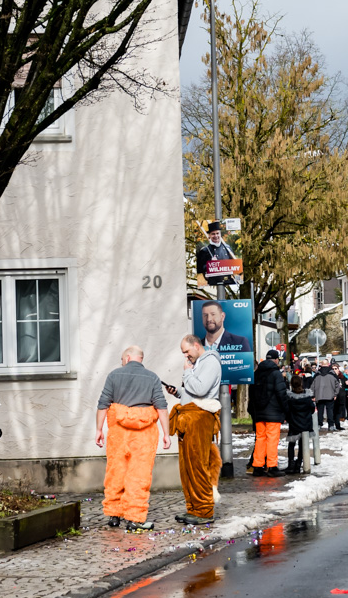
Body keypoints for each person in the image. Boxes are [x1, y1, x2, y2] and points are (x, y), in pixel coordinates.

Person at [95, 345, 170, 531]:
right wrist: (166, 434)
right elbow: (161, 407)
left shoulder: (114, 375)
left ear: (127, 358)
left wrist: (99, 429)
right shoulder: (152, 378)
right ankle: (134, 518)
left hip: (119, 434)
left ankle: (114, 515)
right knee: (139, 476)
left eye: (122, 360)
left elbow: (103, 404)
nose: (122, 363)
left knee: (115, 472)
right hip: (144, 436)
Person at [166, 334, 223, 525]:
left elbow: (200, 390)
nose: (186, 356)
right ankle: (194, 508)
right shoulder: (200, 362)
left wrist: (187, 373)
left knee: (198, 466)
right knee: (187, 468)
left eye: (187, 351)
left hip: (199, 418)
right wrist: (179, 392)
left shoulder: (210, 362)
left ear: (196, 346)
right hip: (191, 417)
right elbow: (194, 392)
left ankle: (204, 510)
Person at [248, 349, 289, 476]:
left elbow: (252, 394)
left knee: (260, 439)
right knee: (272, 439)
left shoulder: (256, 373)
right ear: (276, 360)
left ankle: (257, 466)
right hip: (273, 413)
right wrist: (287, 411)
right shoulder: (276, 374)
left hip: (259, 413)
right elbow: (282, 394)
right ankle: (272, 466)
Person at [285, 375, 316, 475]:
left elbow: (287, 411)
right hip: (305, 423)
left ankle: (291, 465)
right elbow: (312, 409)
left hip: (294, 424)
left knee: (291, 444)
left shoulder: (289, 398)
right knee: (303, 445)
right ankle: (299, 464)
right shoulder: (307, 398)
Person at [196, 220, 240, 287]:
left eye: (217, 233)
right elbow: (200, 269)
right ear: (209, 235)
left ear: (220, 234)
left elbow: (234, 266)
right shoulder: (204, 251)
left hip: (228, 282)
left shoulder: (227, 248)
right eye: (213, 234)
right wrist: (210, 264)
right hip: (213, 282)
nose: (216, 236)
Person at [311, 360, 342, 431]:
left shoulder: (317, 374)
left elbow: (312, 386)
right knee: (330, 411)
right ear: (328, 364)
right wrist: (335, 394)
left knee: (320, 411)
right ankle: (331, 425)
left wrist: (313, 396)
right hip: (330, 395)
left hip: (319, 395)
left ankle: (319, 424)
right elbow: (337, 385)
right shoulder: (332, 374)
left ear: (321, 365)